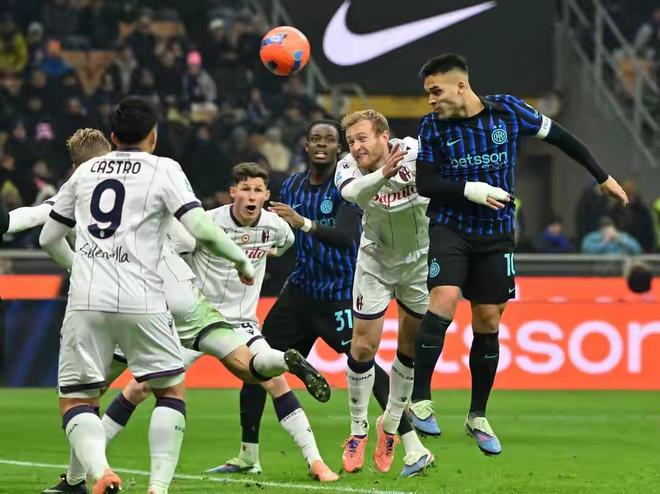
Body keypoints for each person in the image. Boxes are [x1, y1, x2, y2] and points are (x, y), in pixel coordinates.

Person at [37, 97, 257, 494]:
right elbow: (200, 230)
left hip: (86, 300)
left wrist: (77, 267)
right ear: (153, 136)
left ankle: (99, 472)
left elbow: (48, 237)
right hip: (143, 299)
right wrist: (240, 259)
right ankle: (157, 488)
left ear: (113, 136)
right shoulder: (164, 168)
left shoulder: (85, 171)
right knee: (169, 391)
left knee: (77, 399)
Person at [412, 53, 628, 456]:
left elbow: (561, 138)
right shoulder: (433, 127)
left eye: (435, 91)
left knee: (488, 319)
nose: (431, 100)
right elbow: (426, 183)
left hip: (495, 236)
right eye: (428, 93)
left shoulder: (509, 111)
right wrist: (471, 190)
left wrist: (602, 176)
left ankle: (477, 415)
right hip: (450, 228)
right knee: (443, 299)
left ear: (461, 86)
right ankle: (420, 399)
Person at [219, 119, 426, 477]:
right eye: (315, 138)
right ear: (305, 144)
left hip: (338, 293)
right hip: (300, 293)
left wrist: (303, 222)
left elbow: (346, 237)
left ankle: (411, 443)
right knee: (254, 363)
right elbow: (280, 232)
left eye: (329, 140)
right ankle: (248, 454)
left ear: (337, 148)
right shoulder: (292, 185)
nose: (321, 144)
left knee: (365, 363)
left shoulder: (349, 183)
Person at [333, 110, 435, 476]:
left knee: (410, 347)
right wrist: (383, 174)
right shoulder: (348, 167)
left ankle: (389, 426)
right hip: (375, 261)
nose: (356, 147)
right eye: (351, 141)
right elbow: (353, 194)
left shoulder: (416, 153)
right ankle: (357, 430)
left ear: (383, 135)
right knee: (363, 347)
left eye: (362, 138)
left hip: (418, 262)